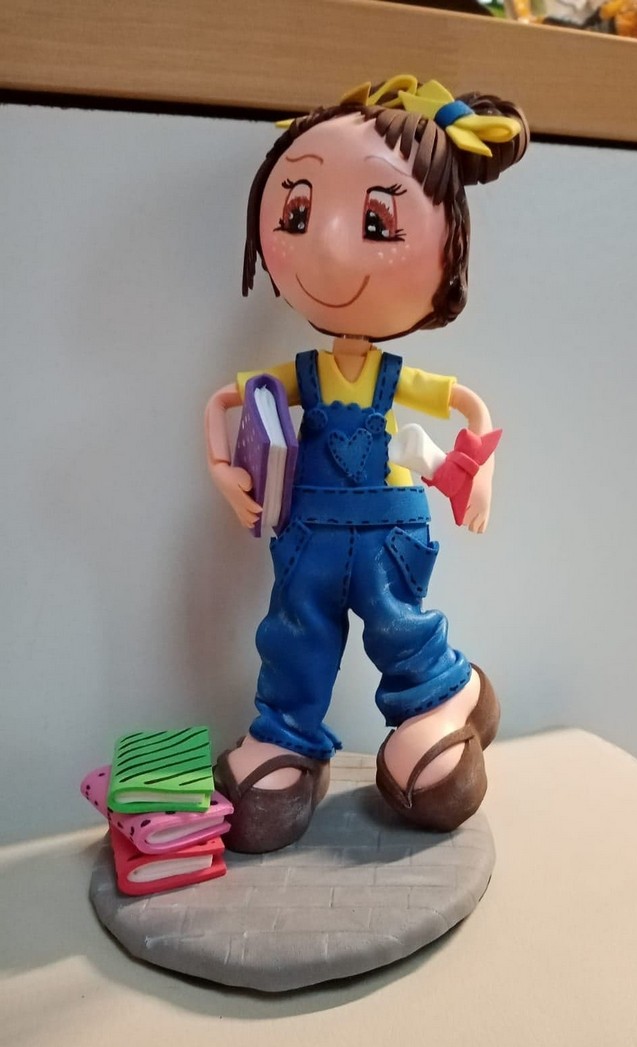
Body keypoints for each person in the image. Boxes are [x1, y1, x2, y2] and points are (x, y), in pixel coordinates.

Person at [204, 76, 528, 852]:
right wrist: (225, 471)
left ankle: (447, 698)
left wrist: (477, 472)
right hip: (307, 533)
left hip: (386, 529)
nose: (327, 247)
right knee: (295, 633)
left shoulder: (393, 377)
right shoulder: (302, 374)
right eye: (298, 214)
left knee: (398, 626)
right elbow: (224, 401)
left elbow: (468, 405)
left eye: (376, 221)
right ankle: (286, 738)